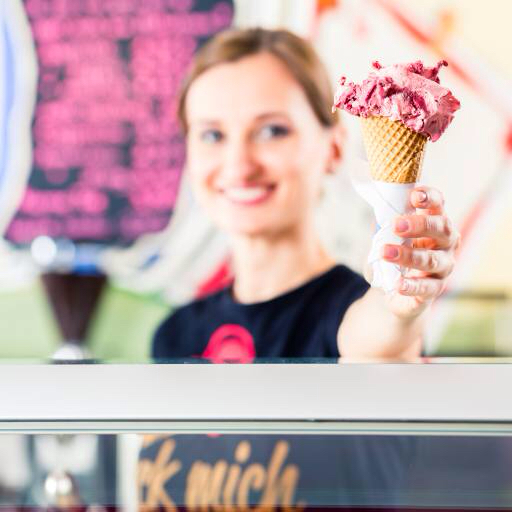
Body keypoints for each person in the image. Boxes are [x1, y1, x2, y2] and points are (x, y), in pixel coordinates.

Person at [152, 27, 460, 362]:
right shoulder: (174, 336)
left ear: (334, 148)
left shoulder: (350, 311)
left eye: (272, 130)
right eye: (212, 135)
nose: (238, 165)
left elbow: (379, 340)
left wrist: (400, 305)